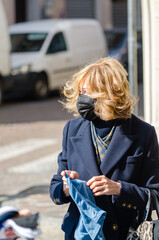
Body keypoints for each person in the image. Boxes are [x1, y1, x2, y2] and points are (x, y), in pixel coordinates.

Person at [49, 57, 159, 240]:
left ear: (108, 94)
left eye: (87, 93)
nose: (81, 98)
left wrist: (118, 189)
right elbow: (55, 189)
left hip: (125, 233)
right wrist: (67, 188)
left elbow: (155, 195)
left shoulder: (143, 133)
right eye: (80, 92)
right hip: (81, 233)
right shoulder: (73, 129)